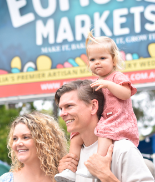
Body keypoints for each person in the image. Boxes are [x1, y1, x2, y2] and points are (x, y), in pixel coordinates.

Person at [55, 31, 139, 181]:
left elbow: (126, 93)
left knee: (104, 131)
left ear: (114, 60)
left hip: (116, 119)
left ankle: (99, 162)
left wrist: (109, 84)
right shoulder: (95, 82)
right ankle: (70, 169)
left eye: (102, 58)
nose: (97, 62)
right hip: (104, 120)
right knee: (75, 137)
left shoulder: (116, 77)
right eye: (93, 59)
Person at [54, 79, 154, 182]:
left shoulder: (123, 149)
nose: (62, 113)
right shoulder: (73, 159)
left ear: (93, 106)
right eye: (61, 108)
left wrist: (106, 176)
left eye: (69, 106)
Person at [0, 111, 67, 182]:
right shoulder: (6, 180)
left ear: (44, 142)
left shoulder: (63, 178)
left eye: (26, 137)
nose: (18, 143)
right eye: (15, 138)